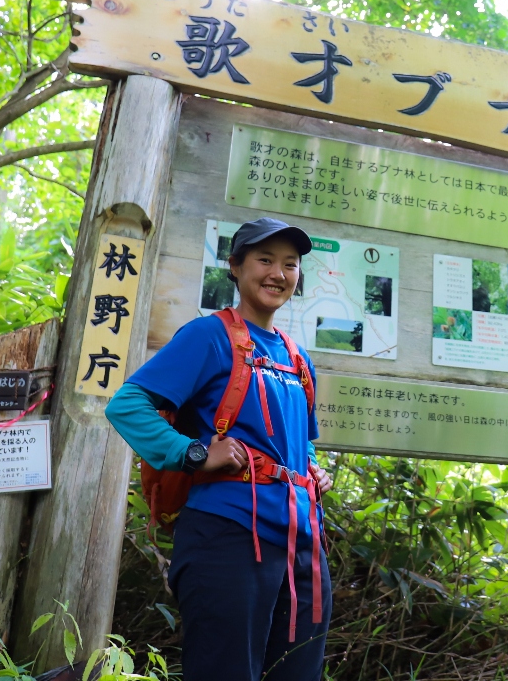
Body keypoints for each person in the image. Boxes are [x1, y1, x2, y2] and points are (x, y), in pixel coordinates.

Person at [105, 217, 332, 681]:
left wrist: (313, 470)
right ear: (234, 266)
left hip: (303, 545)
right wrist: (193, 453)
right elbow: (127, 405)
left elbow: (298, 444)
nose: (278, 274)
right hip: (228, 537)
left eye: (290, 264)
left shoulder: (296, 357)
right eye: (265, 260)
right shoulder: (208, 337)